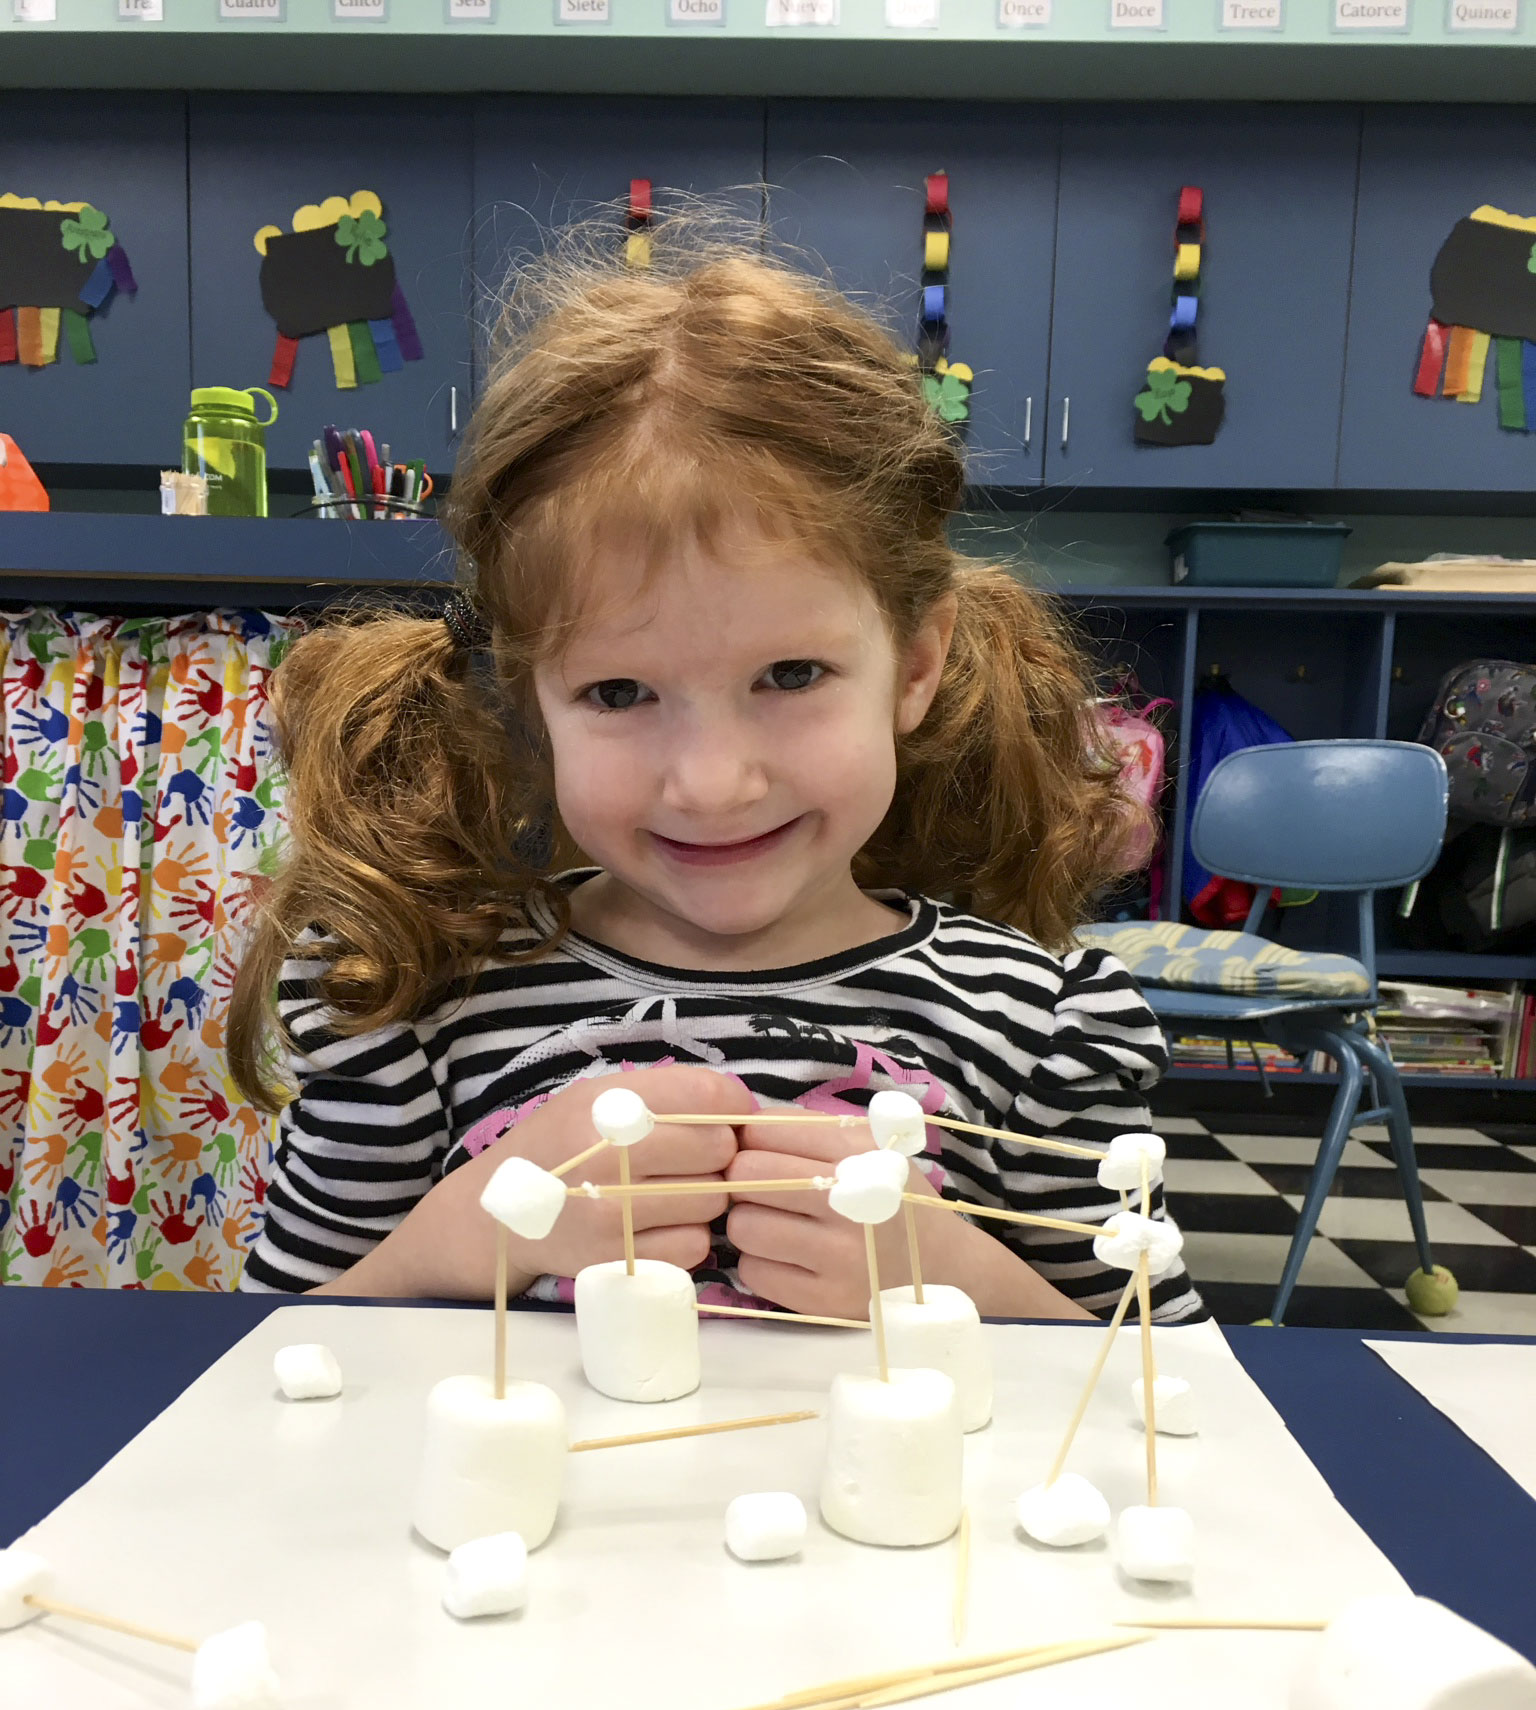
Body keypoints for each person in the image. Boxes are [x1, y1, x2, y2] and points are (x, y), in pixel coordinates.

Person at [231, 222, 1201, 1325]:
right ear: (534, 700)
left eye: (790, 674)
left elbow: (1170, 1399)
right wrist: (455, 1242)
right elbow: (267, 1360)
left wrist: (962, 1273)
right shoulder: (411, 1007)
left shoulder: (1038, 1030)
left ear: (915, 667)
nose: (711, 781)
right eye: (619, 693)